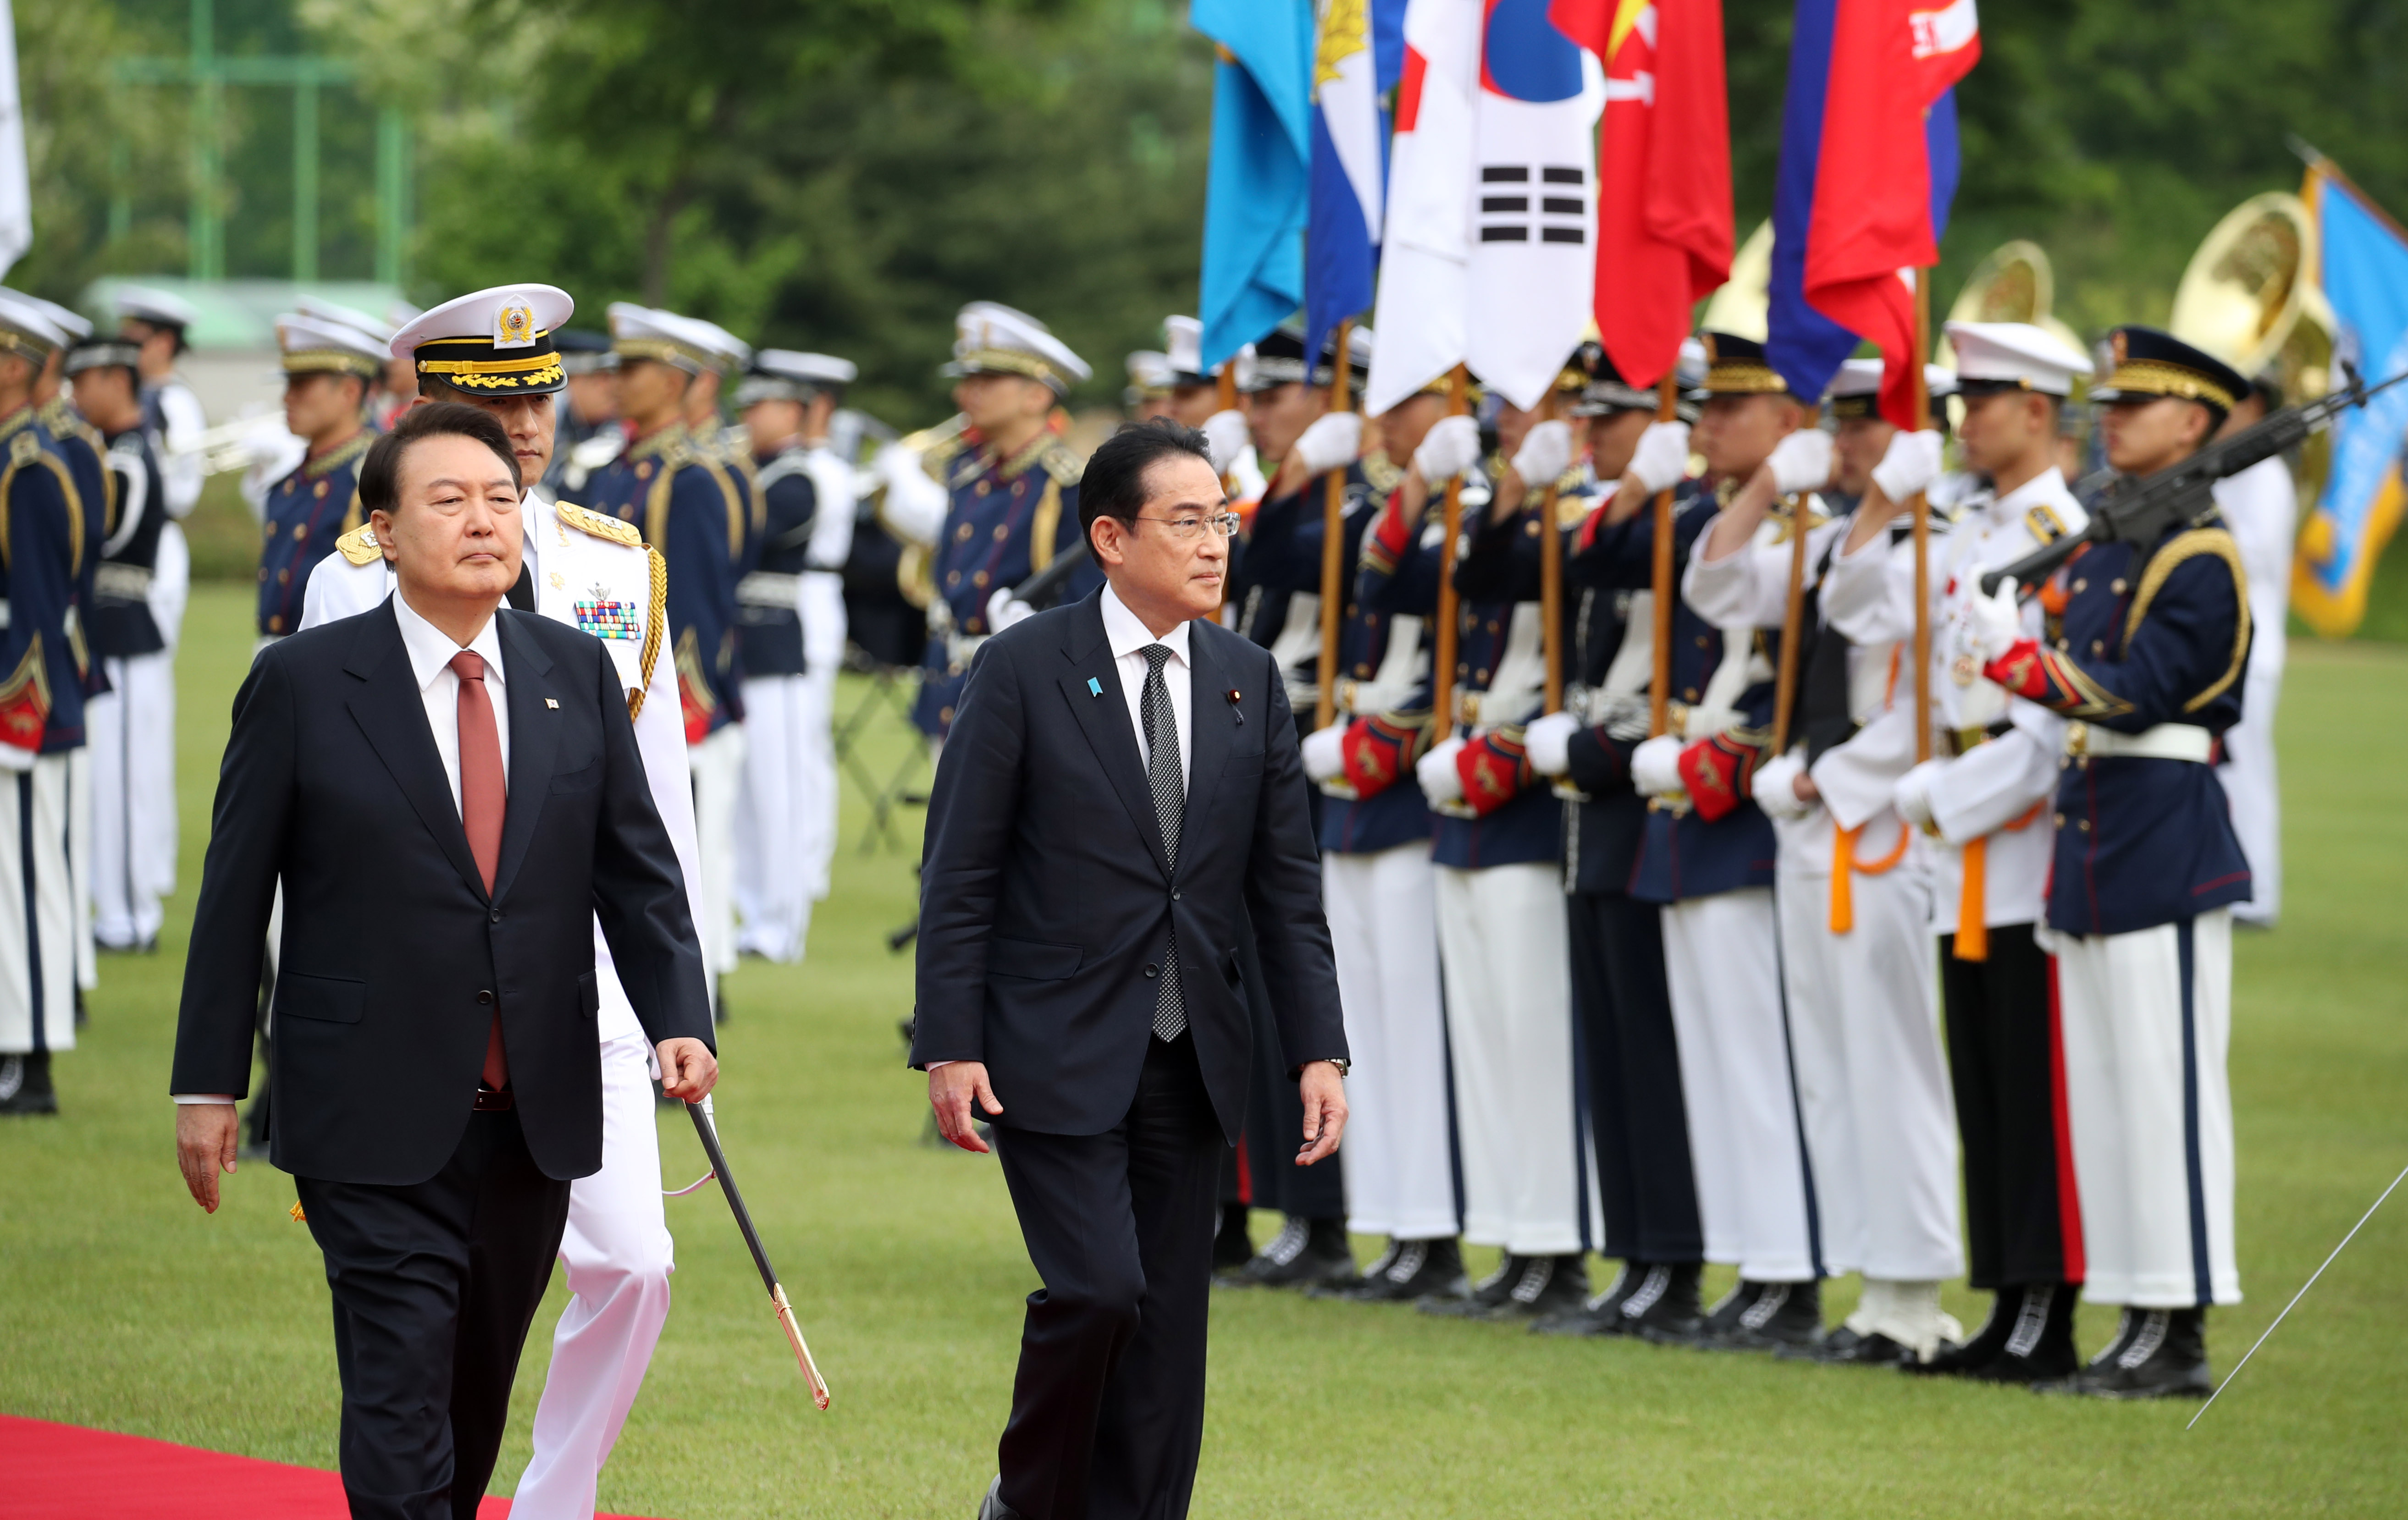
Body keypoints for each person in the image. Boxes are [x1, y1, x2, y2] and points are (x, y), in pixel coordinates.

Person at [171, 402, 719, 1519]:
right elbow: (235, 900)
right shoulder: (307, 681)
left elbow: (638, 869)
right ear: (383, 527)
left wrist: (680, 1014)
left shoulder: (573, 669)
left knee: (473, 1391)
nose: (485, 521)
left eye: (501, 499)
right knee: (398, 1383)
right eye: (450, 500)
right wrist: (207, 1081)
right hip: (368, 1103)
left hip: (534, 1107)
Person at [300, 286, 708, 1518]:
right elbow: (326, 812)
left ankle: (555, 1498)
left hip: (585, 981)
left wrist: (680, 989)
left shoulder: (614, 562)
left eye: (536, 397)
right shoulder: (356, 576)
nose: (525, 425)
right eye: (493, 401)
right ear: (433, 408)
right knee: (440, 1302)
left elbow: (659, 800)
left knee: (638, 1262)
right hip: (427, 994)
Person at [911, 419, 1347, 1520]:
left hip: (1194, 1049)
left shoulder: (1248, 678)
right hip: (1050, 1046)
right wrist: (949, 1040)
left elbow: (1284, 889)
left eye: (1224, 520)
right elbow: (958, 869)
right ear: (1110, 536)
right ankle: (1030, 1498)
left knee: (1167, 1335)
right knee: (1099, 1292)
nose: (1214, 545)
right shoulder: (1022, 667)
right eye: (1187, 520)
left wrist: (1319, 1047)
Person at [1966, 327, 2254, 1399]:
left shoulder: (2198, 554)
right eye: (2111, 401)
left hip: (2163, 835)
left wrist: (2020, 663)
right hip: (2095, 836)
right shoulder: (2113, 544)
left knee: (2166, 1090)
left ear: (2195, 423)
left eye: (2138, 404)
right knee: (2106, 1095)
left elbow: (2143, 686)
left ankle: (2175, 1326)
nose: (2112, 417)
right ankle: (2133, 1314)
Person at [1827, 321, 2095, 1382]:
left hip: (2014, 833)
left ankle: (2049, 1309)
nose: (1961, 419)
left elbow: (2047, 730)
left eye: (1981, 400)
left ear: (2036, 410)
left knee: (2030, 1083)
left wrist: (1939, 795)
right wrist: (1890, 502)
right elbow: (1849, 605)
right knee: (1979, 1077)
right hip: (1958, 839)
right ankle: (2003, 1303)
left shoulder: (2059, 529)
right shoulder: (1969, 522)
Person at [1687, 358, 1968, 1366]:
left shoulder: (1934, 541)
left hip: (1882, 825)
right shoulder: (1827, 537)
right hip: (1815, 826)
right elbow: (1712, 582)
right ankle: (1873, 1287)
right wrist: (1766, 485)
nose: (1846, 444)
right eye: (1840, 425)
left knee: (1892, 1064)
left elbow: (1909, 674)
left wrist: (1823, 774)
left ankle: (1913, 1290)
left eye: (1867, 426)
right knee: (1834, 1070)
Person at [1577, 333, 1822, 1349]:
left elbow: (1807, 672)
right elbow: (1648, 570)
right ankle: (1749, 1264)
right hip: (1686, 812)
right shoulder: (1729, 515)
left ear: (1789, 421)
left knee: (1761, 1063)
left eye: (1731, 408)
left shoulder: (1816, 526)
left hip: (1746, 810)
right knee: (1719, 1066)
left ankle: (1786, 1271)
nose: (1704, 424)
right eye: (1702, 407)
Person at [1521, 349, 1711, 1339]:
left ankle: (1672, 1260)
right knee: (1609, 1039)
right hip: (1596, 788)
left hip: (1645, 789)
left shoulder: (1689, 517)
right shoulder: (1624, 508)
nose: (1592, 434)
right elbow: (1535, 565)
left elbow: (1620, 562)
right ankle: (1635, 1253)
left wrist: (1647, 488)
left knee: (1648, 1039)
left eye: (1617, 418)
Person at [1411, 370, 1590, 1323]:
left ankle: (1556, 1244)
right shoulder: (1506, 507)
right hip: (1467, 783)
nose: (1505, 421)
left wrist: (1541, 498)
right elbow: (1456, 580)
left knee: (1533, 1037)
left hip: (1525, 789)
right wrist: (1514, 492)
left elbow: (1537, 584)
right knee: (1486, 1038)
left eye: (1529, 404)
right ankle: (1514, 1237)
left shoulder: (1592, 511)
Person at [583, 305, 750, 995]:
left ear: (680, 379)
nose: (619, 380)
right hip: (609, 688)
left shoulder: (691, 477)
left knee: (683, 861)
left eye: (636, 367)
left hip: (668, 702)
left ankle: (692, 1008)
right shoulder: (618, 469)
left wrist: (691, 705)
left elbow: (702, 610)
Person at [895, 303, 1096, 748]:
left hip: (1026, 693)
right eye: (968, 380)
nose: (966, 394)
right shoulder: (966, 473)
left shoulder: (1067, 485)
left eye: (986, 381)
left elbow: (1087, 612)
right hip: (954, 682)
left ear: (1038, 395)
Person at [731, 349, 859, 964]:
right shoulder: (757, 470)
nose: (748, 417)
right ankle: (754, 914)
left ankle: (780, 923)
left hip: (780, 638)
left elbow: (749, 538)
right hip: (748, 640)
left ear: (791, 410)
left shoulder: (795, 478)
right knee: (748, 792)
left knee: (778, 787)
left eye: (760, 405)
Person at [0, 295, 88, 1117]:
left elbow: (35, 604)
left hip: (20, 707)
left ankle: (32, 1065)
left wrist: (17, 717)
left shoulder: (26, 464)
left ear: (18, 367)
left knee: (27, 880)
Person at [66, 336, 175, 956]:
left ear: (115, 380)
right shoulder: (113, 452)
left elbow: (99, 543)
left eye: (86, 382)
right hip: (107, 636)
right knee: (107, 780)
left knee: (127, 781)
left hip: (126, 638)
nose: (77, 396)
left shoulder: (127, 458)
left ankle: (133, 918)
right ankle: (116, 910)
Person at [2208, 372, 2291, 927]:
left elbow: (2255, 556)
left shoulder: (2264, 474)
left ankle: (2256, 894)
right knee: (2225, 772)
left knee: (2249, 769)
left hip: (2254, 647)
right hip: (2224, 645)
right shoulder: (2232, 469)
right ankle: (2234, 882)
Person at [256, 313, 386, 646]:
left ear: (349, 390)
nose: (287, 397)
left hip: (334, 652)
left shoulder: (373, 478)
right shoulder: (291, 478)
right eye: (289, 385)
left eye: (302, 385)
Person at [545, 330, 622, 498]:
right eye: (601, 378)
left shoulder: (617, 432)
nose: (613, 389)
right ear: (571, 381)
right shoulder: (540, 425)